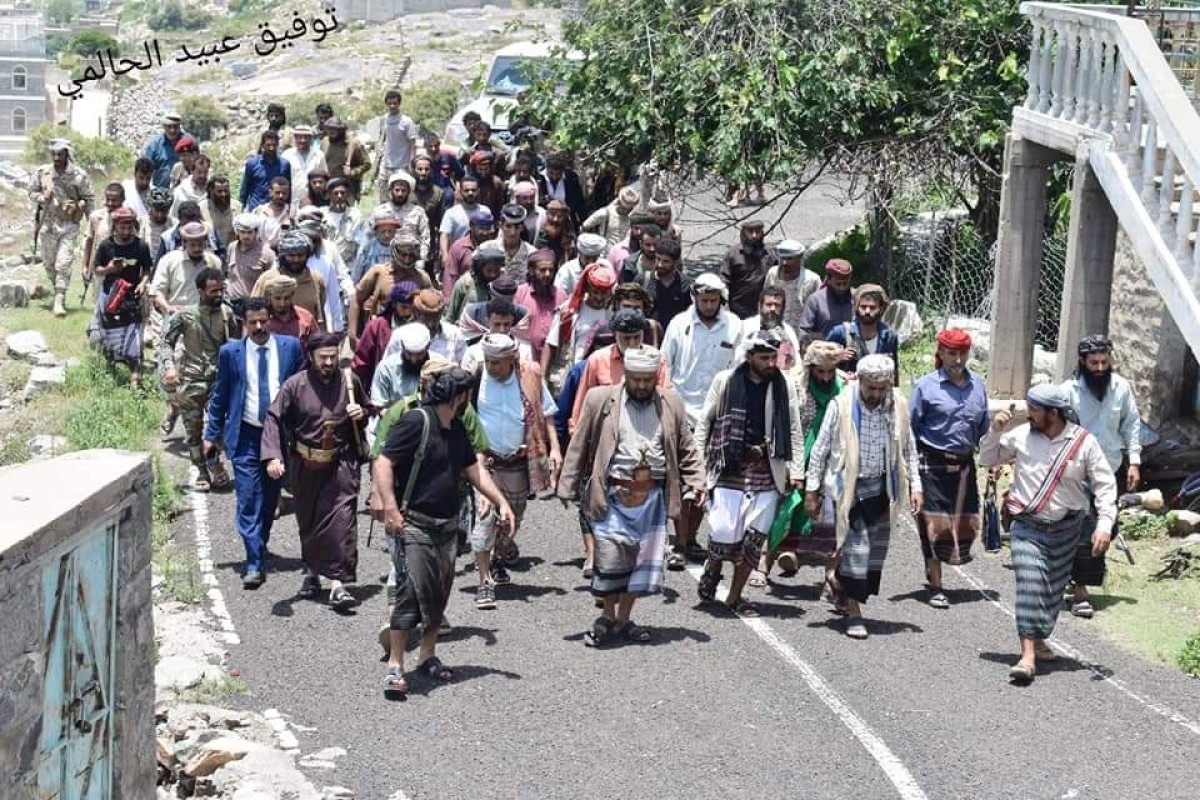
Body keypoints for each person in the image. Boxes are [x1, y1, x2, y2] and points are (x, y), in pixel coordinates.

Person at [374, 367, 515, 698]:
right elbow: (383, 462)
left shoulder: (456, 430)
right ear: (459, 397)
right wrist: (392, 509)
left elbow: (474, 469)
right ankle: (395, 664)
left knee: (439, 591)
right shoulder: (416, 422)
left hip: (448, 526)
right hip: (415, 524)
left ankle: (427, 655)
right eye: (467, 397)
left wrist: (500, 501)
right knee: (411, 590)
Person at [558, 346, 704, 646]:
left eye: (647, 380)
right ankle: (607, 614)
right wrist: (567, 484)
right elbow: (579, 443)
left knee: (641, 564)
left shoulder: (672, 403)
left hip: (652, 498)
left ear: (655, 377)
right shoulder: (600, 400)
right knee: (610, 560)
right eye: (635, 379)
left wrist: (697, 481)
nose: (640, 386)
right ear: (626, 374)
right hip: (612, 493)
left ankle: (622, 619)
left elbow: (687, 447)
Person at [980, 384, 1116, 684]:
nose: (1030, 414)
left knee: (1052, 592)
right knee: (1030, 583)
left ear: (1054, 413)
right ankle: (1027, 655)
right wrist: (995, 431)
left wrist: (1105, 524)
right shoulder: (1022, 436)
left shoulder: (1083, 442)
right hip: (1027, 526)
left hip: (1067, 528)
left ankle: (1038, 638)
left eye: (1036, 409)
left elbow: (1105, 485)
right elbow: (987, 460)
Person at [805, 354, 922, 639]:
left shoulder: (898, 407)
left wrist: (915, 486)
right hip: (849, 488)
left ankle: (838, 580)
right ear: (861, 382)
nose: (876, 394)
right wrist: (812, 490)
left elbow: (908, 449)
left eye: (882, 388)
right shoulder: (841, 405)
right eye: (871, 388)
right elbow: (820, 449)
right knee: (857, 549)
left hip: (882, 488)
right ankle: (855, 613)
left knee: (873, 555)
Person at [695, 330, 804, 615]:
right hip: (730, 467)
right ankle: (714, 567)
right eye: (764, 357)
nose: (770, 363)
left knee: (755, 538)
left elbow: (793, 427)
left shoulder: (784, 386)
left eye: (773, 357)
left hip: (768, 471)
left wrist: (797, 470)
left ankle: (734, 596)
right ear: (749, 357)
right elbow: (705, 424)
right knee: (722, 532)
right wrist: (696, 471)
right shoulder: (726, 381)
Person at [262, 333, 368, 610]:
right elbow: (274, 418)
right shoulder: (294, 386)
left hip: (341, 462)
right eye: (323, 358)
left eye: (333, 357)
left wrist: (361, 413)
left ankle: (338, 584)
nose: (329, 362)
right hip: (305, 463)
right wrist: (273, 455)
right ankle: (311, 571)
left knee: (343, 519)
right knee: (309, 521)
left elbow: (368, 408)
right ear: (311, 357)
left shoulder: (350, 381)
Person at [203, 299, 305, 587]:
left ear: (270, 319)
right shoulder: (230, 353)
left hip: (279, 436)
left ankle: (259, 543)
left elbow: (301, 391)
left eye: (263, 321)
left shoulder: (290, 348)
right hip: (246, 435)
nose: (259, 327)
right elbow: (221, 395)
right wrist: (211, 435)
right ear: (243, 324)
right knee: (248, 497)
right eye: (252, 323)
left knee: (270, 499)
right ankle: (254, 562)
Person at [470, 334, 561, 607]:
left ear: (512, 359)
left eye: (497, 362)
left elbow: (546, 412)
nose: (491, 367)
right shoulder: (476, 378)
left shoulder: (530, 375)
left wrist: (555, 448)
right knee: (485, 517)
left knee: (513, 518)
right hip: (485, 462)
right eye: (487, 361)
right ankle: (484, 582)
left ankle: (498, 558)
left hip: (519, 462)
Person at [661, 273, 744, 568]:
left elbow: (739, 369)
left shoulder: (734, 327)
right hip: (683, 413)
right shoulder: (678, 325)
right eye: (703, 299)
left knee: (704, 484)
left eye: (713, 300)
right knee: (684, 480)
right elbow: (665, 365)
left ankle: (689, 538)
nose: (708, 305)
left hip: (717, 416)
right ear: (694, 298)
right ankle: (680, 543)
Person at [1062, 335, 1142, 620]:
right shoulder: (1068, 391)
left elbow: (1132, 425)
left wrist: (1134, 462)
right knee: (1084, 528)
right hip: (1077, 471)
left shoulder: (1121, 388)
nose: (1099, 367)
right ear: (1083, 362)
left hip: (1111, 468)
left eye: (1104, 362)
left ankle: (1076, 578)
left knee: (1107, 528)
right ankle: (1080, 590)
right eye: (1093, 362)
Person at [908, 329, 989, 608]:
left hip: (964, 464)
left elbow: (982, 428)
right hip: (932, 463)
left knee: (962, 525)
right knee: (935, 525)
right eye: (951, 353)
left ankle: (935, 569)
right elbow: (912, 430)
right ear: (940, 353)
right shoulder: (925, 386)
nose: (957, 359)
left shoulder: (978, 385)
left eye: (962, 353)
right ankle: (936, 584)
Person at [755, 341, 845, 591]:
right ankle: (763, 565)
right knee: (782, 509)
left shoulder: (844, 387)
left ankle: (830, 576)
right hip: (795, 458)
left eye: (830, 371)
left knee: (829, 517)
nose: (825, 377)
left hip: (829, 461)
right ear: (810, 368)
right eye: (820, 372)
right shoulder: (795, 387)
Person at [158, 268, 240, 491]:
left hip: (219, 381)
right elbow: (166, 343)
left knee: (222, 426)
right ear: (201, 291)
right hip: (191, 380)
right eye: (213, 290)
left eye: (221, 289)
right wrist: (169, 368)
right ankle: (202, 472)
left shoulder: (227, 314)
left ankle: (213, 460)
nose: (218, 294)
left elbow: (237, 344)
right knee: (193, 430)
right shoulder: (185, 315)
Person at [88, 207, 153, 387]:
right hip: (110, 297)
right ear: (114, 226)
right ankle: (111, 368)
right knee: (107, 336)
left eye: (129, 227)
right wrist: (110, 269)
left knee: (134, 337)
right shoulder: (105, 246)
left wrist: (142, 283)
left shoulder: (141, 246)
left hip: (133, 298)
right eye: (122, 227)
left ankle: (135, 380)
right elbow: (97, 269)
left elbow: (146, 269)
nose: (126, 231)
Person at [31, 138, 94, 317]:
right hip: (47, 225)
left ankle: (59, 299)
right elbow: (31, 192)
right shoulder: (42, 173)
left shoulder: (79, 175)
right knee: (49, 263)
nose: (56, 158)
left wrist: (91, 222)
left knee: (63, 263)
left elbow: (88, 198)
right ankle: (56, 288)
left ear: (67, 154)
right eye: (54, 154)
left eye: (60, 154)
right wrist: (43, 197)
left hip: (68, 225)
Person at [542, 260, 618, 395]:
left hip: (601, 381)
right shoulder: (570, 311)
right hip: (570, 378)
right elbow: (551, 344)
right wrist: (542, 378)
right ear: (588, 288)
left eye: (604, 293)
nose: (600, 297)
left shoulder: (613, 314)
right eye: (596, 292)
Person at [251, 231, 329, 330]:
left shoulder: (316, 279)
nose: (296, 260)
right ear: (283, 256)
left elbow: (320, 315)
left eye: (300, 255)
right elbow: (252, 312)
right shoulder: (267, 279)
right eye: (291, 256)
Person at [353, 281, 419, 391]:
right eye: (404, 307)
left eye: (412, 308)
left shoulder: (421, 328)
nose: (409, 313)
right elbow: (361, 364)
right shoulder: (376, 326)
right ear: (393, 304)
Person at [827, 284, 900, 381]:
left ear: (881, 309)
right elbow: (822, 363)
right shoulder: (841, 333)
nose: (867, 311)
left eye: (872, 307)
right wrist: (837, 357)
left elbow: (894, 371)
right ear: (857, 306)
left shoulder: (889, 336)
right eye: (863, 307)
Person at [513, 248, 566, 362]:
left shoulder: (561, 296)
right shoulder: (520, 294)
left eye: (551, 270)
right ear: (532, 271)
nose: (547, 274)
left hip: (553, 361)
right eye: (542, 270)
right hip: (525, 360)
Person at [719, 219, 777, 320]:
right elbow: (724, 280)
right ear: (744, 233)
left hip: (764, 308)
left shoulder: (770, 254)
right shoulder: (733, 254)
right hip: (738, 309)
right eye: (750, 232)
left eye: (757, 232)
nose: (754, 236)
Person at [733, 286, 801, 370]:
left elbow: (796, 362)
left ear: (783, 308)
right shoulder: (746, 327)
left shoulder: (788, 331)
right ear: (760, 306)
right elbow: (736, 358)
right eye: (769, 304)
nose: (773, 309)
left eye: (777, 305)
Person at [765, 239, 820, 335]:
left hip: (801, 335)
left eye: (790, 259)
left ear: (800, 258)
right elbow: (764, 301)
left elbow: (818, 310)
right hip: (775, 333)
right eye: (782, 258)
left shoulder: (812, 280)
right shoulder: (772, 274)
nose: (785, 263)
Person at [374, 89, 421, 202]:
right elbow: (382, 138)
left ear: (399, 103)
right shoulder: (384, 120)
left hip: (402, 166)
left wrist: (411, 163)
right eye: (390, 103)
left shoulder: (406, 121)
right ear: (386, 104)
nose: (392, 106)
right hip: (386, 164)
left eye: (395, 103)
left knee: (401, 196)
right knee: (384, 196)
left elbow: (413, 144)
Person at [374, 172, 432, 262]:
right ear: (391, 190)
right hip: (384, 258)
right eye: (397, 190)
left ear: (409, 192)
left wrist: (421, 259)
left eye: (403, 190)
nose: (400, 194)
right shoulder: (379, 211)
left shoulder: (418, 212)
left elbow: (425, 238)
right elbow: (370, 237)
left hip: (410, 259)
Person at [638, 237, 692, 329]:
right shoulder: (643, 280)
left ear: (675, 262)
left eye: (666, 261)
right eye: (658, 259)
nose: (660, 264)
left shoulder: (686, 284)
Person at [798, 258, 855, 343]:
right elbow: (804, 331)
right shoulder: (815, 300)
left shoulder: (856, 298)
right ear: (828, 280)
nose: (842, 287)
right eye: (838, 284)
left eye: (845, 283)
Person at [443, 207, 495, 301]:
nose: (485, 233)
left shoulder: (494, 247)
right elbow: (450, 277)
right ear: (471, 226)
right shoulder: (458, 247)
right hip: (465, 296)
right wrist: (448, 301)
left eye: (488, 229)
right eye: (482, 228)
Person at [262, 273, 321, 352]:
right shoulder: (261, 319)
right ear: (269, 297)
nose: (282, 303)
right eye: (277, 298)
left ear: (292, 295)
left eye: (286, 298)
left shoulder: (306, 317)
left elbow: (318, 345)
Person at [226, 214, 276, 300]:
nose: (246, 236)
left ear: (256, 232)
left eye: (249, 232)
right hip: (232, 301)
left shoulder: (267, 254)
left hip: (253, 305)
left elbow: (272, 282)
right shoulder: (232, 247)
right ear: (237, 232)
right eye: (242, 232)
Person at [240, 130, 291, 214]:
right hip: (256, 210)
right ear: (262, 145)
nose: (271, 148)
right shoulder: (252, 164)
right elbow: (245, 189)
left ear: (278, 145)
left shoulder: (284, 165)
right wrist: (241, 209)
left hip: (277, 211)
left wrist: (288, 210)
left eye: (274, 145)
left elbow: (288, 190)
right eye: (268, 145)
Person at [322, 116, 372, 201]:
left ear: (341, 130)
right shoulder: (325, 142)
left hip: (348, 189)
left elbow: (367, 163)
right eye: (328, 129)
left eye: (334, 129)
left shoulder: (353, 144)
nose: (330, 131)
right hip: (329, 188)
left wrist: (353, 172)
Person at [439, 176, 484, 268]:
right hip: (457, 259)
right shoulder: (451, 213)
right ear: (460, 192)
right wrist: (445, 255)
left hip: (481, 258)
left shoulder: (485, 211)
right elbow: (445, 235)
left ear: (478, 191)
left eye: (473, 190)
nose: (470, 193)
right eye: (466, 190)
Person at [282, 125, 328, 210]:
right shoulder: (286, 155)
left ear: (311, 139)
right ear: (295, 138)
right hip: (292, 200)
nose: (302, 140)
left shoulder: (319, 155)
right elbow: (282, 179)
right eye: (299, 137)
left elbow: (325, 178)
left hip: (314, 201)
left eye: (306, 137)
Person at [142, 112, 187, 189]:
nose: (172, 130)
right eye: (169, 127)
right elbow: (145, 169)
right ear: (163, 127)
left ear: (179, 126)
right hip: (160, 191)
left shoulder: (188, 142)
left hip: (184, 192)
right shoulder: (154, 145)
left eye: (175, 127)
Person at [555, 232, 605, 297]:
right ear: (580, 253)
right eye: (587, 258)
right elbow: (559, 297)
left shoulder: (604, 268)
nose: (590, 262)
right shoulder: (567, 270)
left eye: (594, 259)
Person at [496, 203, 535, 283]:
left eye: (517, 227)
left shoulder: (532, 253)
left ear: (522, 228)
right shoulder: (488, 249)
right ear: (501, 225)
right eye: (508, 226)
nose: (513, 232)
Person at [203, 175, 239, 250]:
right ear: (211, 191)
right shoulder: (202, 209)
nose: (224, 195)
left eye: (226, 191)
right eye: (219, 191)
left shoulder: (237, 207)